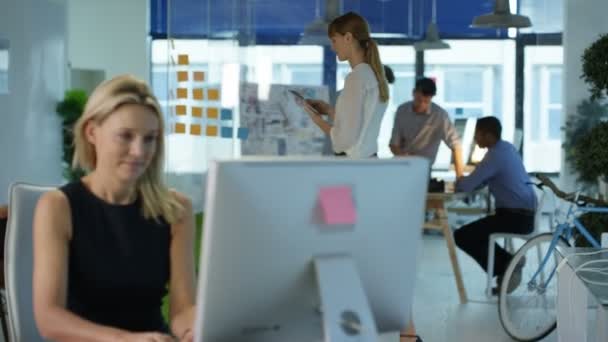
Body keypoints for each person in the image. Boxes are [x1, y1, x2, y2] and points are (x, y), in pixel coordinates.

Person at [32, 75, 196, 341]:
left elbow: (182, 310)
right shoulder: (57, 207)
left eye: (149, 138)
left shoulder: (176, 210)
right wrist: (124, 340)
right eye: (126, 136)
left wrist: (192, 330)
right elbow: (49, 319)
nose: (139, 151)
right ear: (92, 133)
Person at [454, 116, 536, 292]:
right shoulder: (507, 148)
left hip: (515, 217)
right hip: (524, 215)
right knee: (477, 233)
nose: (476, 139)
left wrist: (459, 180)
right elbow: (487, 178)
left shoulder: (494, 155)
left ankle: (508, 265)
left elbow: (466, 185)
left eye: (478, 135)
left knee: (462, 236)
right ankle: (507, 266)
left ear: (489, 136)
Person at [304, 11, 389, 158]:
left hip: (356, 165)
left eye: (334, 40)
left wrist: (318, 121)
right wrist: (330, 111)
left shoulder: (356, 78)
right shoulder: (370, 74)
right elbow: (360, 123)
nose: (332, 47)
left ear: (348, 38)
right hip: (370, 161)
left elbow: (345, 140)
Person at [389, 77, 464, 178]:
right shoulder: (402, 111)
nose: (422, 104)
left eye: (426, 101)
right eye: (419, 100)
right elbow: (394, 144)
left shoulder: (439, 115)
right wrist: (406, 158)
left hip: (423, 169)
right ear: (413, 93)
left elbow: (456, 146)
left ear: (431, 98)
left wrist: (459, 177)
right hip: (401, 166)